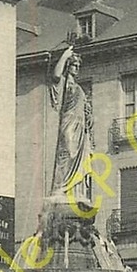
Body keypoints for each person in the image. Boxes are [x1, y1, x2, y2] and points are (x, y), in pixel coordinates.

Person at [49, 45, 94, 201]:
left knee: (79, 160)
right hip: (69, 123)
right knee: (67, 153)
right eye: (74, 65)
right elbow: (55, 75)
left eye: (78, 66)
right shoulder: (64, 83)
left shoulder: (79, 88)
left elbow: (86, 111)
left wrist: (89, 118)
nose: (76, 68)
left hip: (80, 128)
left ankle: (75, 191)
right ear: (68, 66)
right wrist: (64, 56)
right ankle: (59, 188)